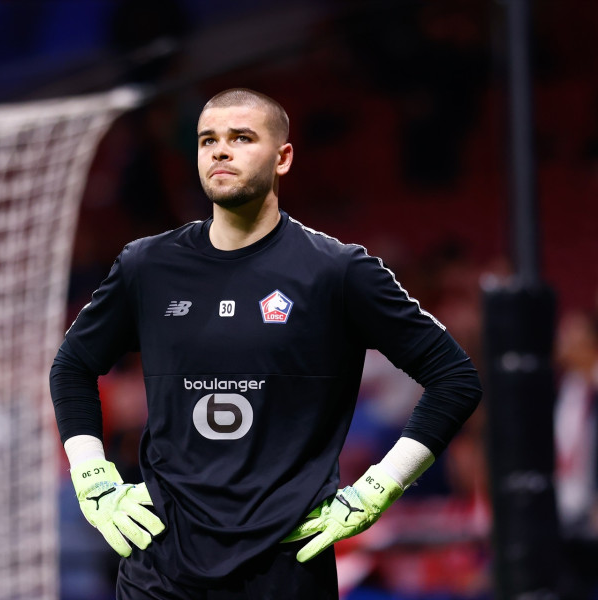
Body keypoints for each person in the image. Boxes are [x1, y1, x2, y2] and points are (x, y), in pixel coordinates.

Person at [49, 88, 482, 600]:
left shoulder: (336, 271)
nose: (220, 151)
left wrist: (379, 487)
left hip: (285, 567)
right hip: (161, 566)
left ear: (283, 157)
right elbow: (72, 366)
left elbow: (455, 378)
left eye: (241, 137)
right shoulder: (147, 266)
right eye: (208, 140)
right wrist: (92, 475)